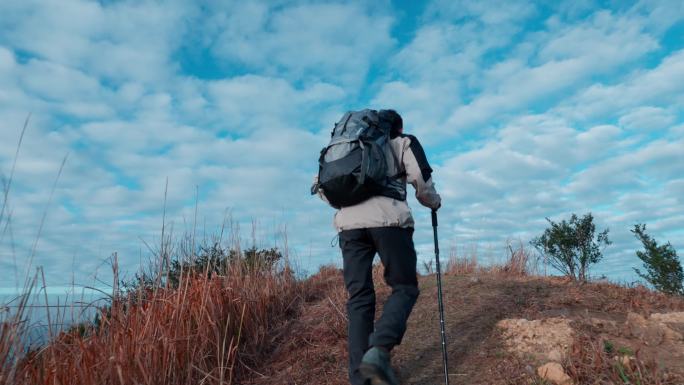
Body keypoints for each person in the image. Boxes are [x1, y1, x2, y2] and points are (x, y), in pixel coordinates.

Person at [314, 109, 441, 385]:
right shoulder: (402, 141)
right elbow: (421, 181)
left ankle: (360, 380)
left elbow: (322, 188)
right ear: (395, 126)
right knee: (404, 287)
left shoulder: (343, 149)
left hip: (348, 227)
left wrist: (351, 205)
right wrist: (434, 202)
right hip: (389, 222)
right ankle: (380, 350)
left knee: (359, 299)